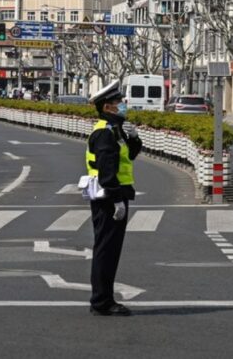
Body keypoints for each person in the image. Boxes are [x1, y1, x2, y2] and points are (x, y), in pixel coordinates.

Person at [86, 79, 143, 317]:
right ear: (108, 107)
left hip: (113, 195)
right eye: (118, 102)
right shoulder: (104, 133)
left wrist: (134, 138)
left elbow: (128, 156)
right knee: (106, 250)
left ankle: (103, 298)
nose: (123, 105)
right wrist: (116, 200)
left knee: (110, 250)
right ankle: (101, 301)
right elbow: (107, 169)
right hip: (108, 198)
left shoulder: (115, 129)